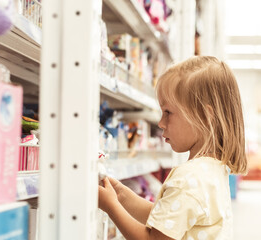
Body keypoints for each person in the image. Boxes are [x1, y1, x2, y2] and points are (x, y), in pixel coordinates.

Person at [98, 56, 248, 240]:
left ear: (205, 115)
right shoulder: (212, 170)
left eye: (168, 112)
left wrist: (110, 206)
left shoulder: (189, 178)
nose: (161, 123)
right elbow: (167, 220)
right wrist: (120, 195)